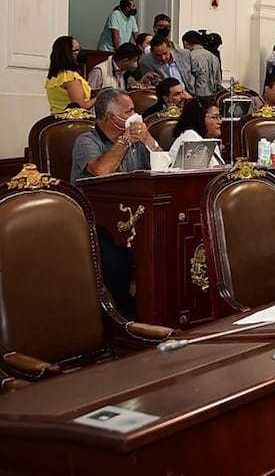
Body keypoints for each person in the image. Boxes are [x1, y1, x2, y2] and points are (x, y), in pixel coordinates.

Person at [71, 88, 161, 319]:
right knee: (117, 260)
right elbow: (101, 171)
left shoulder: (137, 141)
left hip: (135, 214)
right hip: (97, 219)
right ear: (113, 118)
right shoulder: (86, 141)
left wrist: (149, 141)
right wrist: (124, 141)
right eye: (130, 111)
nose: (135, 115)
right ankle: (125, 315)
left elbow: (164, 165)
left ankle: (158, 308)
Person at [45, 36, 95, 114]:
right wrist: (99, 97)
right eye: (77, 49)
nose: (81, 52)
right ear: (68, 54)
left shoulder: (54, 76)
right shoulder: (70, 78)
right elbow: (80, 106)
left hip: (55, 119)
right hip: (70, 121)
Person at [169, 99, 224, 166]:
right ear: (199, 118)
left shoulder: (209, 139)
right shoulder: (190, 138)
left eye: (219, 117)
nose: (220, 122)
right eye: (214, 117)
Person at [181, 30, 222, 97]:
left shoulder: (189, 57)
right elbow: (218, 80)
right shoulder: (214, 57)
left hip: (195, 96)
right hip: (212, 96)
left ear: (186, 43)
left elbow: (187, 79)